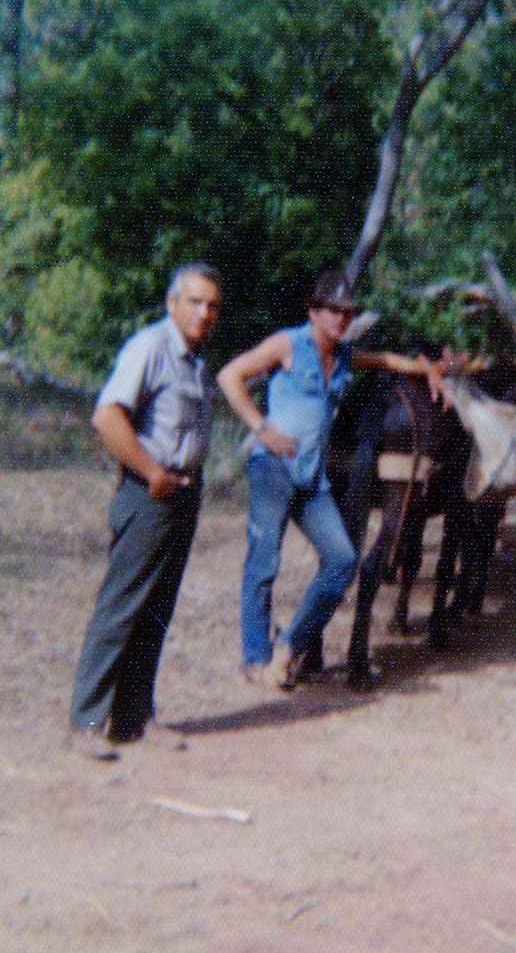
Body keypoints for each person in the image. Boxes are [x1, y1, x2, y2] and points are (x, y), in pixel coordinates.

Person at [218, 270, 447, 690]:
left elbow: (383, 359)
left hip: (311, 478)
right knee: (264, 563)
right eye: (333, 311)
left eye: (347, 313)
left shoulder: (343, 357)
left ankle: (290, 645)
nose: (341, 319)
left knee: (342, 560)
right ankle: (255, 658)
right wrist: (261, 427)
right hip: (273, 468)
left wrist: (427, 370)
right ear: (314, 312)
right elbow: (229, 376)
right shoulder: (288, 344)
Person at [68, 263, 224, 759]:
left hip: (183, 493)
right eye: (194, 301)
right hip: (148, 493)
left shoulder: (195, 361)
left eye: (212, 305)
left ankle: (134, 717)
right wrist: (151, 471)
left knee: (156, 609)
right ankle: (87, 722)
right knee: (121, 607)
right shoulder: (150, 348)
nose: (204, 313)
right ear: (171, 303)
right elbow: (107, 416)